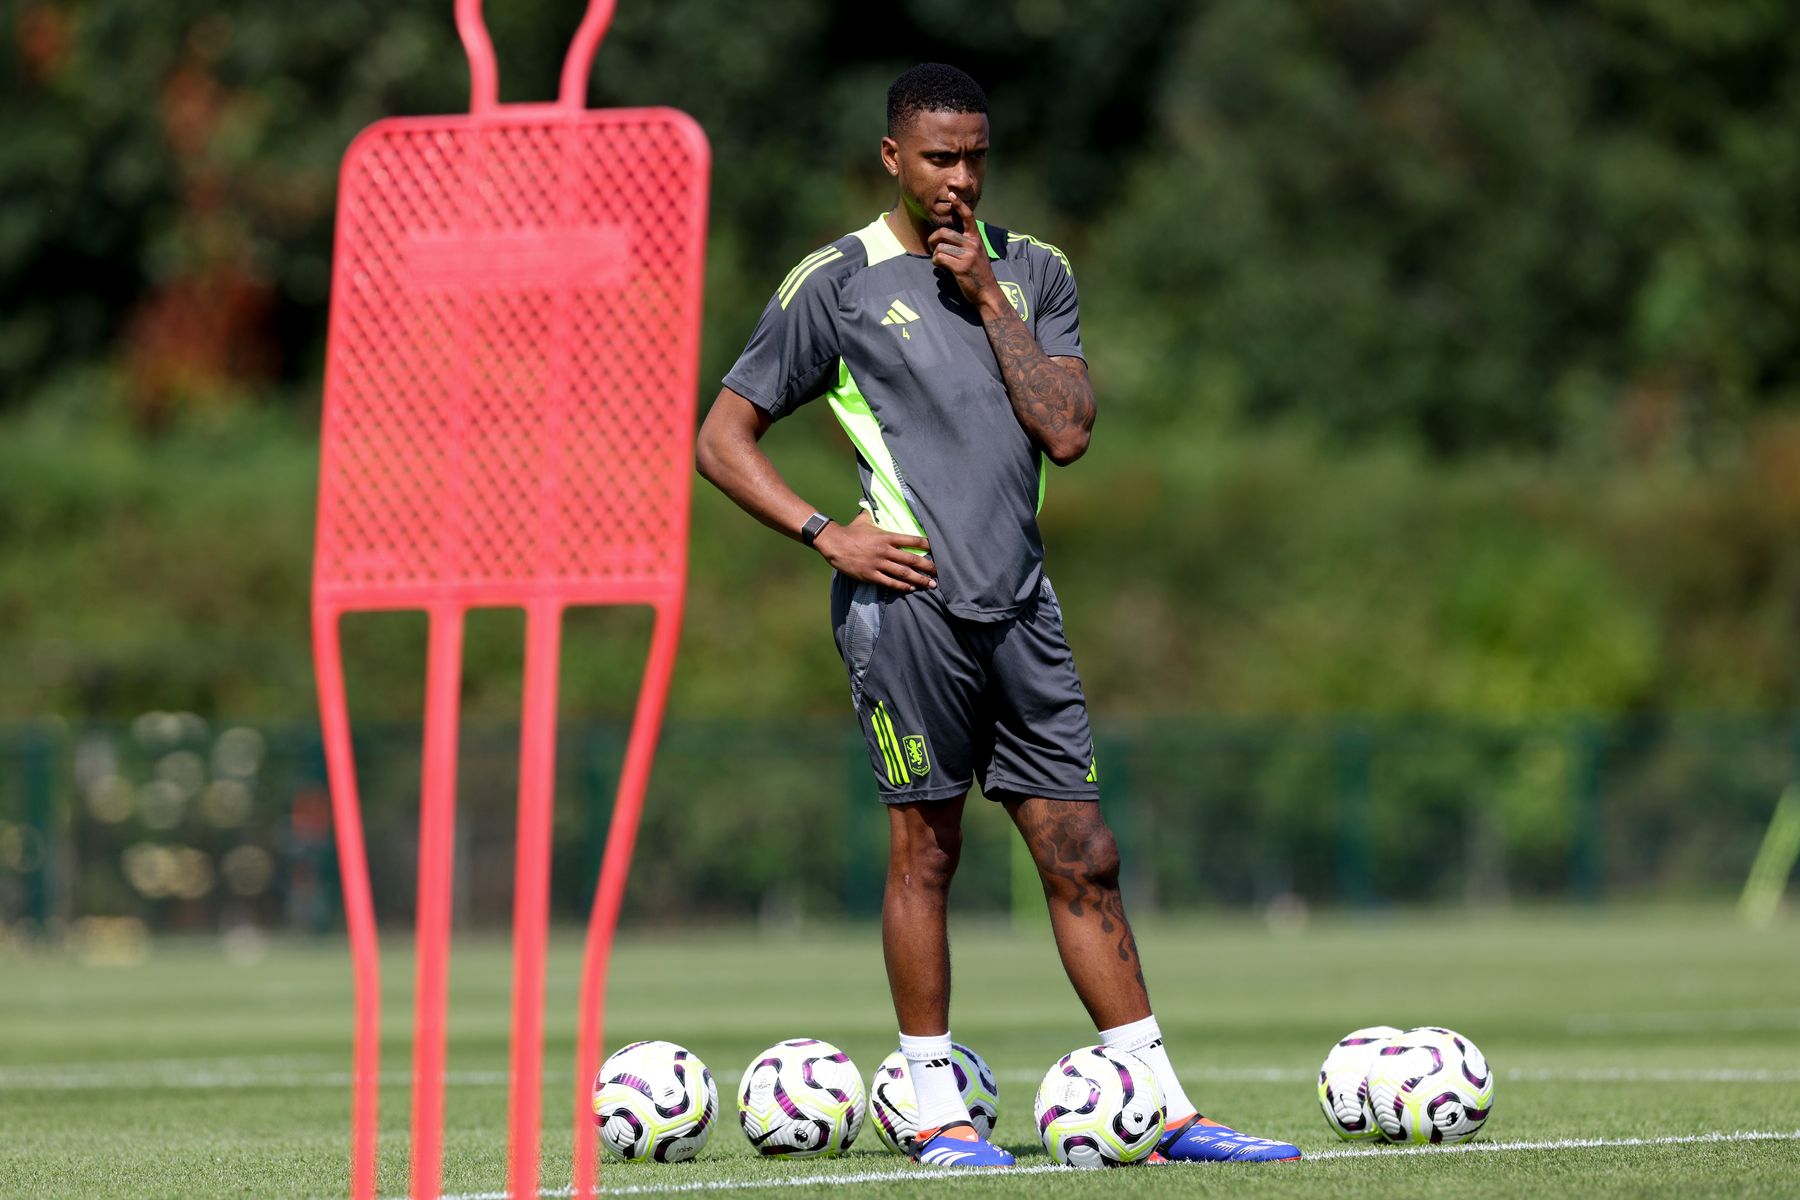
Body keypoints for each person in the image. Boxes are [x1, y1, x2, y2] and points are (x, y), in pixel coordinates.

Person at [695, 62, 1301, 1168]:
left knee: (1085, 850)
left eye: (975, 156)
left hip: (1023, 606)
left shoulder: (1037, 270)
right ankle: (935, 1112)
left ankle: (1162, 1109)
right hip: (907, 611)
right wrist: (827, 533)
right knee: (927, 852)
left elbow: (1067, 427)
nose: (958, 179)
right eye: (937, 158)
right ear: (892, 157)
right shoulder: (831, 281)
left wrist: (985, 296)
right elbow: (721, 438)